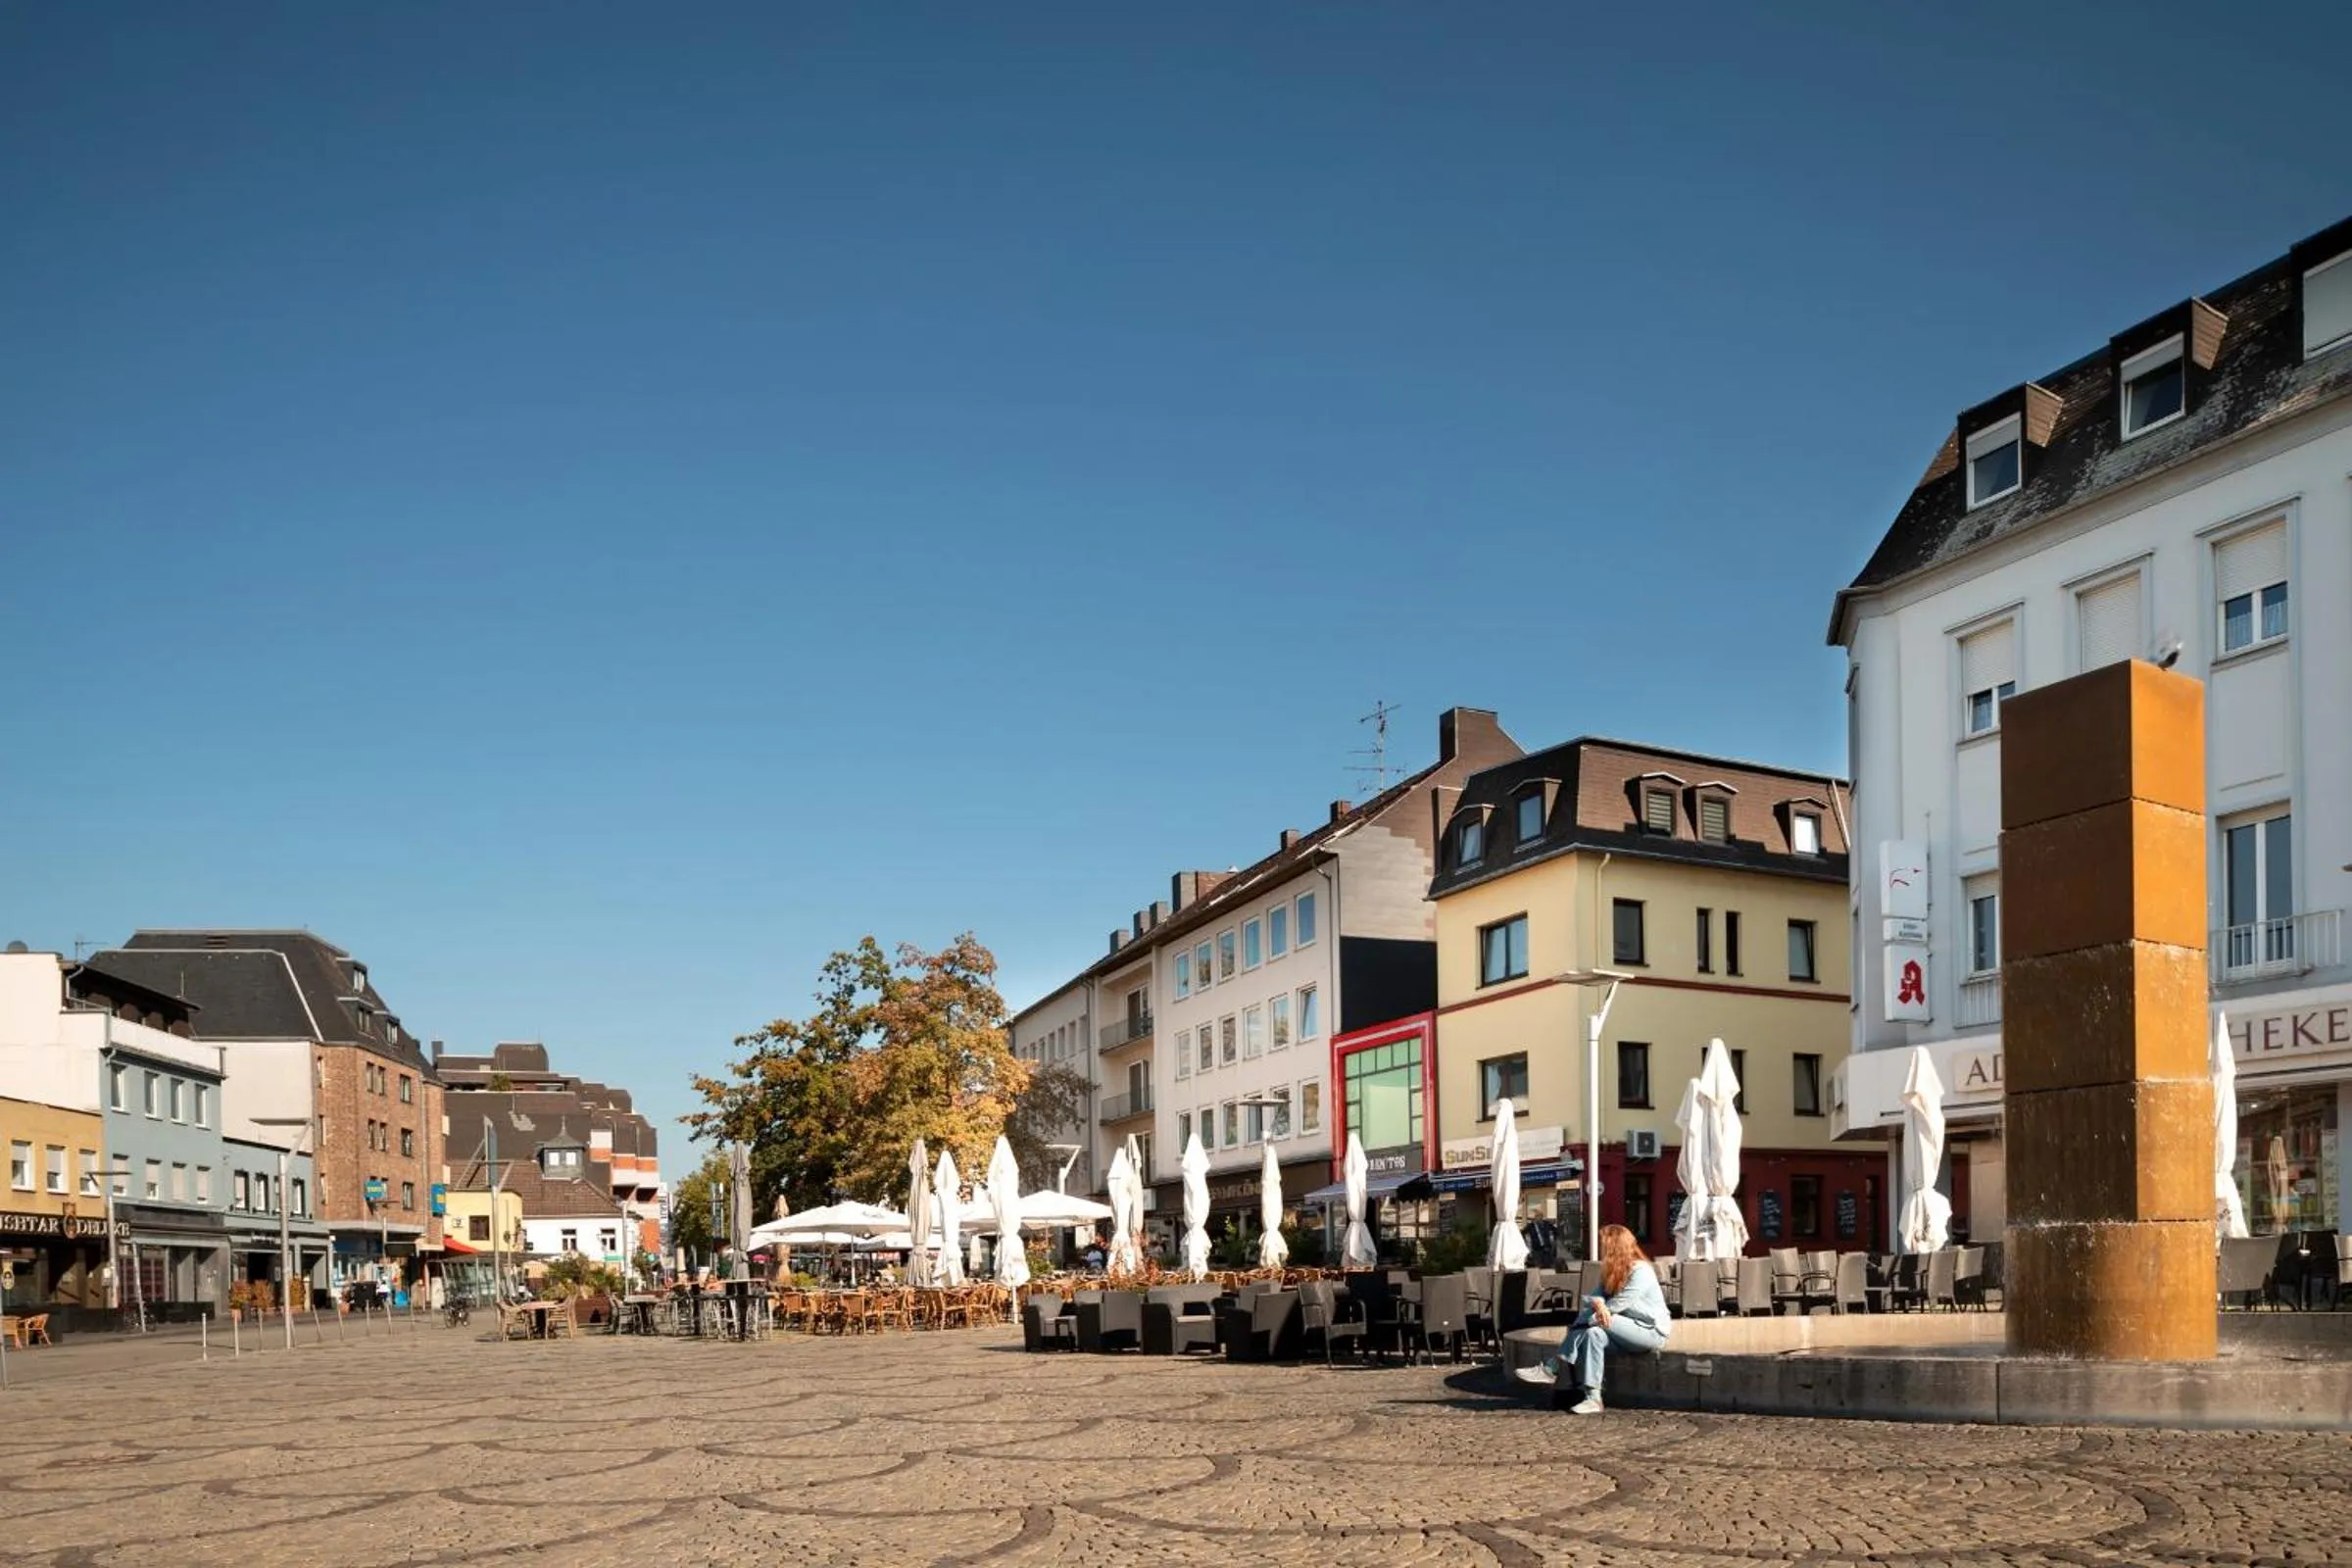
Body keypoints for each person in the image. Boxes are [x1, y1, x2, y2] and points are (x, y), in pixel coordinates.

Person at [1514, 1224, 1670, 1414]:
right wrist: (1599, 1305)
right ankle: (1593, 1398)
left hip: (1649, 1331)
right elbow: (1592, 1298)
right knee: (1593, 1333)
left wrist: (1601, 1307)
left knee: (1595, 1318)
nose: (1602, 1250)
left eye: (1605, 1245)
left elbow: (1621, 1303)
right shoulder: (1613, 1272)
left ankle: (1553, 1366)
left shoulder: (1641, 1271)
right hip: (1620, 1329)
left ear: (1615, 1247)